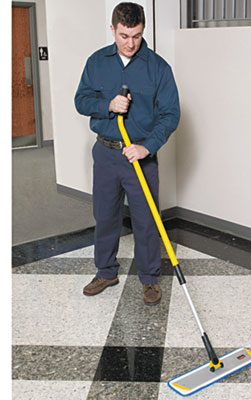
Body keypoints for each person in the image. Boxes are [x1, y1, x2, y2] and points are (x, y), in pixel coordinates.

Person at [74, 2, 180, 305]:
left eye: (136, 36)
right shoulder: (97, 62)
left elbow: (171, 114)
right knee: (105, 216)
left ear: (143, 30)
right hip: (106, 154)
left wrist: (147, 146)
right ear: (113, 30)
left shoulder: (158, 68)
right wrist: (108, 105)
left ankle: (149, 278)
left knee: (146, 220)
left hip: (141, 157)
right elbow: (81, 101)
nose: (130, 43)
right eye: (124, 36)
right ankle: (106, 272)